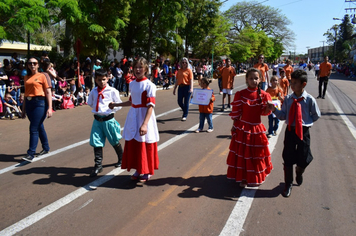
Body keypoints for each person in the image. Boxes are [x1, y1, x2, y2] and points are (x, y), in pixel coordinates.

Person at [267, 70, 321, 197]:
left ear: (304, 84)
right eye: (291, 82)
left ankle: (299, 171)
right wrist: (274, 109)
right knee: (288, 157)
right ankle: (288, 184)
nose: (292, 85)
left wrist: (305, 122)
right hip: (290, 131)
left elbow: (316, 115)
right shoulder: (288, 99)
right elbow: (282, 116)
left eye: (295, 83)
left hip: (303, 131)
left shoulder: (309, 100)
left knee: (304, 157)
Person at [109, 57, 159, 182]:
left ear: (146, 69)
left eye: (140, 67)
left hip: (144, 116)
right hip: (133, 116)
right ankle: (138, 168)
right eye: (136, 67)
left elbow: (150, 106)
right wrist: (115, 105)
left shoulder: (150, 85)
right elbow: (132, 102)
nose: (137, 69)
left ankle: (147, 170)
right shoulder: (131, 84)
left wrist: (145, 124)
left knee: (145, 142)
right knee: (135, 143)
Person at [226, 68, 273, 187]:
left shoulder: (264, 94)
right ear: (246, 79)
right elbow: (236, 114)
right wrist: (234, 127)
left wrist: (271, 106)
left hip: (257, 128)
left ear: (260, 79)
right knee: (243, 154)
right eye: (251, 78)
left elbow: (264, 112)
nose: (254, 81)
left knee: (256, 154)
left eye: (256, 78)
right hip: (243, 128)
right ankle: (243, 178)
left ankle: (255, 176)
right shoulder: (240, 94)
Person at [87, 69, 124, 177]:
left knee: (114, 140)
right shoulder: (94, 91)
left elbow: (119, 104)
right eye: (99, 80)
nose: (102, 82)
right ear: (96, 80)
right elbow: (90, 103)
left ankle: (121, 159)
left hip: (108, 120)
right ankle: (98, 165)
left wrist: (111, 109)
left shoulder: (112, 91)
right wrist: (99, 110)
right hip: (98, 120)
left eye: (103, 79)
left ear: (107, 79)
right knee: (96, 142)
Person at [21, 57, 52, 162]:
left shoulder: (43, 76)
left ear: (38, 65)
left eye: (34, 63)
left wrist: (50, 108)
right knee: (39, 126)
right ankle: (46, 147)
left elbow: (48, 92)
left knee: (33, 128)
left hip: (40, 103)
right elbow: (25, 94)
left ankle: (31, 153)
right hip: (29, 103)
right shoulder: (26, 77)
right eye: (30, 63)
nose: (32, 65)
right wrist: (23, 109)